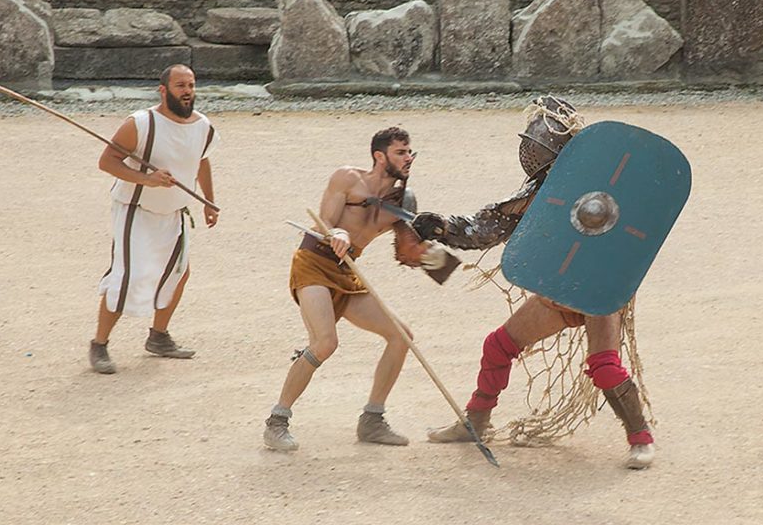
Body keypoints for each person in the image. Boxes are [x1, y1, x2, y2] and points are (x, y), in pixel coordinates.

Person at [412, 96, 656, 469]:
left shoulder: (601, 188)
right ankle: (476, 422)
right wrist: (443, 228)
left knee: (604, 365)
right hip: (558, 293)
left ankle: (641, 439)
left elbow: (636, 226)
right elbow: (485, 227)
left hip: (597, 291)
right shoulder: (533, 197)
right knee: (498, 346)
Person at [263, 127, 447, 452]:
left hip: (348, 272)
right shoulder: (347, 178)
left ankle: (372, 420)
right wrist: (338, 233)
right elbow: (326, 221)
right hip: (314, 263)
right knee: (324, 343)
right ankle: (277, 422)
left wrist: (444, 260)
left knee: (401, 335)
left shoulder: (402, 200)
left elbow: (409, 250)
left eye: (410, 152)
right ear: (380, 156)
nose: (408, 159)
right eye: (401, 152)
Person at [88, 64, 219, 374]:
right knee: (127, 275)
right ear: (163, 90)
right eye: (180, 86)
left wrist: (209, 201)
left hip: (174, 210)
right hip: (136, 209)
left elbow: (201, 161)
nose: (187, 91)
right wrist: (146, 178)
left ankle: (158, 337)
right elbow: (107, 161)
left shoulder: (204, 126)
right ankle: (99, 344)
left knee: (178, 273)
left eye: (191, 85)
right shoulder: (140, 124)